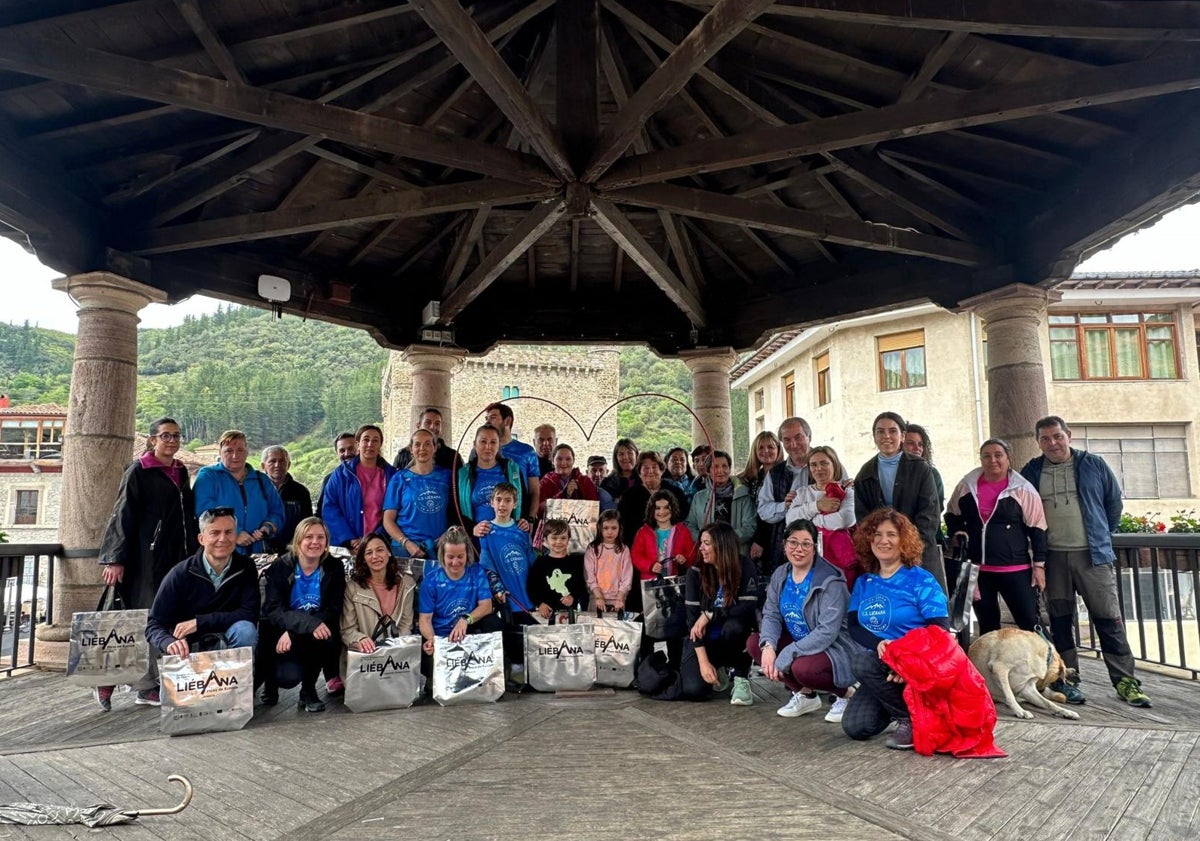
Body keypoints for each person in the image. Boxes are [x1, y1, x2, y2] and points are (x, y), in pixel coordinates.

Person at [1020, 415, 1151, 708]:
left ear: (1069, 435)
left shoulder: (1094, 465)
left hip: (1092, 556)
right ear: (1038, 442)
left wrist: (1101, 535)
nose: (1052, 443)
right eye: (1045, 438)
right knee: (1060, 621)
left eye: (1057, 436)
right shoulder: (1031, 471)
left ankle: (1125, 682)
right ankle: (1067, 681)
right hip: (1053, 558)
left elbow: (1113, 504)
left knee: (1108, 619)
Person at [95, 417, 198, 710]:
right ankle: (142, 685)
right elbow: (122, 513)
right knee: (145, 619)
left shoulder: (180, 472)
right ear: (152, 440)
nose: (172, 441)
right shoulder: (139, 470)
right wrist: (114, 558)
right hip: (145, 559)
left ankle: (146, 681)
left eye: (176, 436)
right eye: (165, 436)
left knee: (165, 616)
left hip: (175, 558)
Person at [841, 509, 950, 751]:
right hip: (884, 666)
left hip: (919, 665)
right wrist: (880, 643)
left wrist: (908, 660)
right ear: (869, 540)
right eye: (877, 534)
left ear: (904, 540)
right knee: (856, 727)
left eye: (892, 534)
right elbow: (855, 625)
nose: (883, 540)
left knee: (861, 662)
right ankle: (900, 706)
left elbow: (940, 629)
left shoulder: (921, 580)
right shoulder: (864, 582)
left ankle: (910, 719)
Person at [144, 507, 261, 705]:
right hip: (190, 648)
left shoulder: (246, 567)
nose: (222, 539)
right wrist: (168, 642)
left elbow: (249, 613)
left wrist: (200, 622)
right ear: (201, 538)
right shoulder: (180, 573)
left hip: (228, 636)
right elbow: (154, 624)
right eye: (215, 533)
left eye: (229, 532)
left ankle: (238, 692)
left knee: (246, 630)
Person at [749, 520, 861, 723]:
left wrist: (788, 652)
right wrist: (768, 645)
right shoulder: (781, 574)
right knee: (755, 644)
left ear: (814, 546)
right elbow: (771, 613)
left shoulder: (831, 580)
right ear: (784, 545)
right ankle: (806, 695)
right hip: (799, 640)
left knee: (803, 668)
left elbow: (827, 631)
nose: (798, 549)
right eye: (793, 542)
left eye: (806, 543)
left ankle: (846, 695)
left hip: (833, 646)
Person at [945, 438, 1047, 634]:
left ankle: (1048, 663)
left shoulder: (1023, 489)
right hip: (979, 571)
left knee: (1030, 624)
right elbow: (951, 514)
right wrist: (957, 531)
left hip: (1016, 570)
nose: (993, 460)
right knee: (988, 627)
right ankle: (988, 665)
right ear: (981, 459)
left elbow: (1037, 528)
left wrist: (1039, 566)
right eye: (987, 456)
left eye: (998, 455)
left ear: (1008, 458)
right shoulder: (967, 485)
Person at [257, 517, 345, 712]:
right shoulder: (280, 567)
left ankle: (308, 691)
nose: (315, 542)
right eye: (309, 537)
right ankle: (271, 683)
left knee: (325, 634)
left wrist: (301, 628)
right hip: (281, 632)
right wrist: (302, 625)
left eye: (320, 537)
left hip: (310, 631)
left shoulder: (334, 567)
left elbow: (333, 608)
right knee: (287, 677)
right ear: (298, 541)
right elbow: (274, 610)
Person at [854, 412, 947, 594]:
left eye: (892, 431)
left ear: (902, 436)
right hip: (882, 556)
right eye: (880, 432)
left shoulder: (921, 469)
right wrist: (884, 545)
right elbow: (863, 519)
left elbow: (929, 513)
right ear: (874, 436)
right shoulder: (865, 473)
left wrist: (907, 547)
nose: (886, 436)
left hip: (918, 554)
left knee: (924, 608)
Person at [679, 522, 761, 704]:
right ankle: (717, 667)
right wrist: (703, 662)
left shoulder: (744, 565)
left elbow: (747, 606)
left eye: (706, 543)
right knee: (694, 691)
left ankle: (741, 677)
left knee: (737, 625)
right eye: (701, 542)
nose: (701, 547)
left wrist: (710, 614)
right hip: (705, 641)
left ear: (722, 544)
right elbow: (693, 620)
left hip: (733, 635)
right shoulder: (695, 572)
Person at [417, 526, 502, 689]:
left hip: (467, 633)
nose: (455, 562)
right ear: (442, 555)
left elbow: (486, 606)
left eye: (460, 557)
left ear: (467, 555)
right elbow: (425, 619)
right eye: (450, 557)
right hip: (442, 637)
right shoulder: (432, 580)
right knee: (426, 657)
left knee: (493, 622)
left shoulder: (476, 571)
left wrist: (466, 619)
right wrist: (432, 640)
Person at [477, 483, 537, 686]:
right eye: (499, 500)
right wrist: (497, 587)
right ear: (492, 502)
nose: (503, 504)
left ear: (515, 503)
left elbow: (531, 561)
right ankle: (512, 673)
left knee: (527, 635)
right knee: (510, 635)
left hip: (526, 594)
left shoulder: (521, 531)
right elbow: (486, 563)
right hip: (506, 596)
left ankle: (529, 674)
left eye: (508, 500)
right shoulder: (486, 530)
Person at [193, 430, 285, 555]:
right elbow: (204, 511)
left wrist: (267, 528)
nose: (235, 456)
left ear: (247, 452)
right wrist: (236, 532)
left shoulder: (261, 480)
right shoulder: (209, 476)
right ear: (220, 453)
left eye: (240, 450)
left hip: (259, 552)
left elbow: (277, 512)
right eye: (229, 451)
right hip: (222, 552)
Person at [383, 428, 452, 579]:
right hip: (404, 549)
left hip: (439, 548)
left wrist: (447, 534)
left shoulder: (447, 476)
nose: (422, 448)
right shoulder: (399, 478)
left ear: (435, 448)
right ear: (411, 449)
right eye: (417, 444)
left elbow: (456, 510)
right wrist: (406, 543)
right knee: (404, 597)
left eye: (427, 444)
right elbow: (388, 520)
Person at [341, 532, 417, 669]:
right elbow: (347, 630)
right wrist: (360, 639)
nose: (375, 556)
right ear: (363, 559)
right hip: (364, 661)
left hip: (396, 660)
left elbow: (406, 626)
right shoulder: (352, 587)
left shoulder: (407, 584)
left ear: (389, 552)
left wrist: (392, 650)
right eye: (369, 553)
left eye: (380, 550)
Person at [787, 446, 858, 587]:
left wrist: (811, 520)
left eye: (824, 463)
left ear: (834, 464)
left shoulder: (847, 492)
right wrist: (817, 506)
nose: (818, 468)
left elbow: (845, 519)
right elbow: (790, 521)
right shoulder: (802, 493)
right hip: (809, 558)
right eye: (813, 464)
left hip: (840, 559)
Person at [321, 424, 398, 552]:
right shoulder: (341, 474)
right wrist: (349, 539)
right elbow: (330, 508)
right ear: (358, 444)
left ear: (380, 445)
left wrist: (374, 537)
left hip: (380, 543)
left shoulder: (392, 475)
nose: (370, 444)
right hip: (348, 546)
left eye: (375, 440)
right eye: (366, 439)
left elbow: (395, 511)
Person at [757, 417, 813, 575]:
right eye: (787, 440)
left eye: (798, 437)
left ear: (809, 437)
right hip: (784, 550)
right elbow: (763, 510)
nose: (793, 445)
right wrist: (784, 505)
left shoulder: (828, 464)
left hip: (821, 547)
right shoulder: (775, 473)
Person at [455, 424, 528, 534]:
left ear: (499, 445)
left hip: (508, 535)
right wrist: (471, 529)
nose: (488, 446)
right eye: (483, 442)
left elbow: (523, 500)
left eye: (493, 442)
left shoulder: (512, 470)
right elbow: (455, 510)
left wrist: (524, 520)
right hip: (476, 540)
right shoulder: (463, 474)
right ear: (475, 444)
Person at [686, 450, 756, 557]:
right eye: (715, 467)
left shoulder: (743, 495)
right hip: (707, 556)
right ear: (708, 471)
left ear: (729, 469)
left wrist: (724, 540)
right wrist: (706, 542)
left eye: (725, 466)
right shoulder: (699, 497)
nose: (720, 471)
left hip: (735, 553)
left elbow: (750, 527)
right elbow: (690, 525)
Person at [484, 402, 540, 520]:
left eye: (493, 418)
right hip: (485, 521)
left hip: (517, 519)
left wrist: (530, 518)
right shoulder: (479, 451)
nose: (487, 422)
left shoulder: (527, 452)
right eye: (486, 419)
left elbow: (534, 490)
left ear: (507, 421)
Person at [619, 451, 687, 547]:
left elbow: (683, 520)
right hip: (639, 548)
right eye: (646, 468)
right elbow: (623, 526)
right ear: (639, 472)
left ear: (662, 470)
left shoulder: (675, 492)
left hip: (671, 546)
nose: (650, 471)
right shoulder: (629, 496)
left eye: (654, 467)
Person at [528, 519, 589, 618]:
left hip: (569, 615)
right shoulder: (540, 562)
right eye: (554, 538)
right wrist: (540, 604)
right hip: (546, 615)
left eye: (563, 538)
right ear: (545, 540)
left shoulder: (575, 562)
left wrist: (572, 597)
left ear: (569, 539)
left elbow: (580, 585)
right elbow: (531, 587)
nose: (558, 542)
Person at [632, 489, 696, 582]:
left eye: (666, 507)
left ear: (672, 508)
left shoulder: (683, 531)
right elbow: (636, 556)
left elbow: (692, 555)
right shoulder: (643, 532)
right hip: (649, 582)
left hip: (675, 581)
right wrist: (650, 566)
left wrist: (684, 559)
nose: (662, 511)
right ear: (652, 510)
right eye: (657, 508)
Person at [738, 430, 781, 566]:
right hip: (752, 534)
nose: (765, 451)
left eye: (770, 447)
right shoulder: (752, 478)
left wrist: (760, 540)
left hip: (775, 535)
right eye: (761, 448)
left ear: (778, 450)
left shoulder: (784, 476)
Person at [261, 445, 313, 554]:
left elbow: (307, 525)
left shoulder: (301, 492)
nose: (277, 465)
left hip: (292, 551)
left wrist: (295, 545)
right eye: (272, 461)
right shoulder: (255, 491)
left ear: (288, 465)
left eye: (282, 461)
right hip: (261, 551)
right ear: (263, 466)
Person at [585, 510, 633, 615]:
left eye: (614, 528)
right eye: (605, 528)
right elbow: (589, 576)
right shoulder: (592, 549)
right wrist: (598, 596)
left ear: (619, 528)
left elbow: (627, 576)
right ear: (599, 528)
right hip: (596, 597)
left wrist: (620, 598)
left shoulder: (624, 549)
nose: (609, 532)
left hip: (618, 599)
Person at [392, 407, 464, 473]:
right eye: (428, 423)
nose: (433, 427)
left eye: (437, 424)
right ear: (418, 425)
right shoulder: (403, 456)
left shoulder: (453, 457)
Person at [537, 443, 599, 518]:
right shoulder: (545, 482)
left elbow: (593, 509)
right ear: (553, 461)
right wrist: (563, 494)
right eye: (559, 459)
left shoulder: (585, 482)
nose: (563, 463)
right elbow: (538, 510)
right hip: (553, 527)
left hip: (580, 527)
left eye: (568, 459)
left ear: (573, 461)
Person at [903, 423, 946, 514]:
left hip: (927, 526)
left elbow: (936, 508)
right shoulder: (892, 473)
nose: (917, 448)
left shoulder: (933, 474)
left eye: (920, 444)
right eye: (911, 443)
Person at [316, 432, 357, 518]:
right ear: (337, 454)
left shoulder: (374, 476)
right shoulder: (329, 480)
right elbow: (321, 513)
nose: (347, 454)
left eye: (351, 448)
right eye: (342, 450)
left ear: (359, 448)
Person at [600, 438, 639, 508]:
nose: (626, 457)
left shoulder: (644, 480)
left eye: (630, 453)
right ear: (616, 458)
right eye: (621, 454)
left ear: (636, 455)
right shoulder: (607, 483)